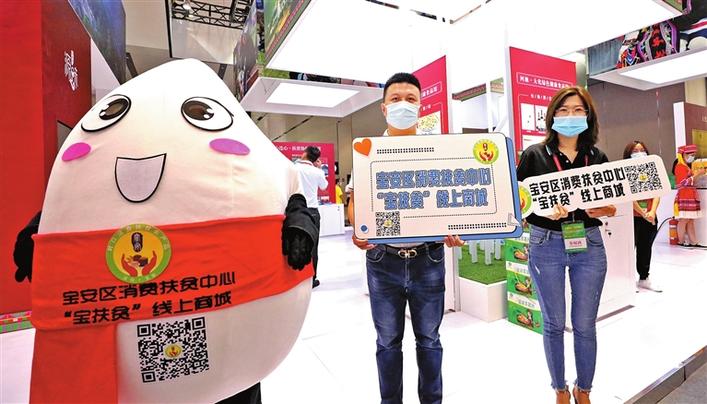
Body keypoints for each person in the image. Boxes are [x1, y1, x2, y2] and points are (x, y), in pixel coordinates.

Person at [348, 72, 464, 404]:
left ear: (420, 106)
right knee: (387, 342)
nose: (403, 105)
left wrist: (458, 229)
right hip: (382, 260)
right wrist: (359, 229)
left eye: (410, 99)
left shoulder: (436, 150)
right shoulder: (368, 151)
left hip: (428, 258)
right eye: (395, 99)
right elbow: (355, 202)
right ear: (384, 108)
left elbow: (451, 201)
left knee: (429, 340)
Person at [516, 86, 616, 404]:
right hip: (546, 243)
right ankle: (559, 389)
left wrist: (601, 209)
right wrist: (540, 210)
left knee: (585, 324)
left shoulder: (597, 158)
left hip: (589, 243)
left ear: (588, 116)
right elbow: (518, 203)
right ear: (552, 115)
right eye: (563, 109)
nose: (570, 115)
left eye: (577, 110)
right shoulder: (534, 155)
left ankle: (583, 389)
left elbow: (612, 205)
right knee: (554, 323)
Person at [623, 141, 662, 292]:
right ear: (628, 154)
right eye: (635, 150)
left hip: (650, 217)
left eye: (642, 150)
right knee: (628, 249)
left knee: (645, 248)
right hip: (632, 217)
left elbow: (657, 193)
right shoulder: (624, 172)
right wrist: (642, 212)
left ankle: (644, 278)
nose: (639, 153)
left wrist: (651, 212)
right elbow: (627, 196)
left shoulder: (651, 170)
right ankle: (627, 281)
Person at [294, 145, 329, 287]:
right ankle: (312, 279)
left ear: (304, 154)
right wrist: (319, 169)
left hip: (297, 210)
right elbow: (324, 186)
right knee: (313, 246)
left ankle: (297, 278)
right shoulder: (317, 172)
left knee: (296, 244)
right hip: (313, 212)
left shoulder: (293, 168)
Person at [673, 144, 703, 246]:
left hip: (690, 195)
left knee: (690, 220)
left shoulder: (686, 166)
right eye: (691, 155)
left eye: (694, 155)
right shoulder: (680, 166)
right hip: (684, 195)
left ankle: (693, 241)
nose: (692, 157)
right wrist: (696, 175)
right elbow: (682, 183)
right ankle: (681, 241)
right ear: (684, 154)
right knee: (684, 220)